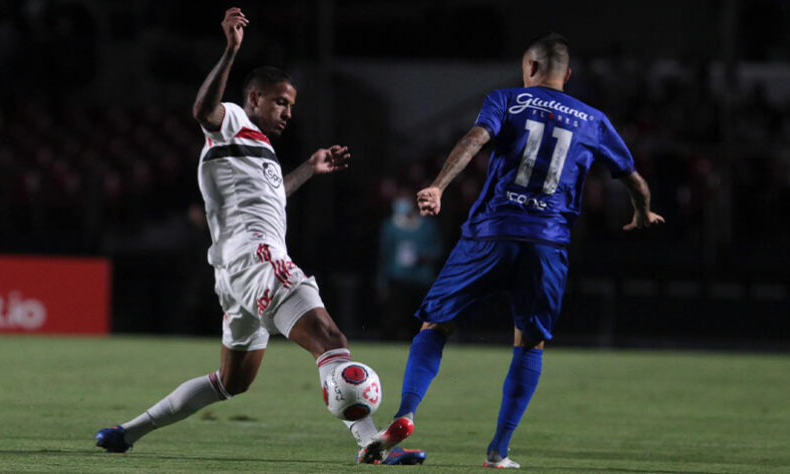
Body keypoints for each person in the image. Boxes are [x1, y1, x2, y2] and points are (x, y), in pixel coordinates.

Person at [93, 8, 425, 465]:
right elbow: (202, 110)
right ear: (254, 97)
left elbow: (272, 198)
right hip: (258, 259)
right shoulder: (231, 118)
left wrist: (310, 167)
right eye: (281, 102)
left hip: (233, 275)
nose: (289, 112)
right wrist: (230, 51)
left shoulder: (257, 149)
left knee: (233, 382)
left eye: (291, 105)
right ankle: (371, 442)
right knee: (330, 337)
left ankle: (126, 433)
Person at [363, 33, 665, 468]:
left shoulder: (508, 99)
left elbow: (475, 139)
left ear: (530, 68)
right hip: (547, 245)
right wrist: (643, 212)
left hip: (490, 234)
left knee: (435, 325)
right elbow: (634, 179)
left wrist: (437, 186)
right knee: (530, 343)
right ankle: (498, 452)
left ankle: (406, 414)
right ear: (568, 75)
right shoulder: (593, 119)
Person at [376, 190, 442, 340]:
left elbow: (438, 249)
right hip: (398, 278)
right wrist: (382, 282)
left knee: (420, 321)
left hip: (422, 279)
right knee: (394, 317)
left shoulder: (427, 225)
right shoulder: (390, 226)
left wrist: (426, 256)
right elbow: (384, 256)